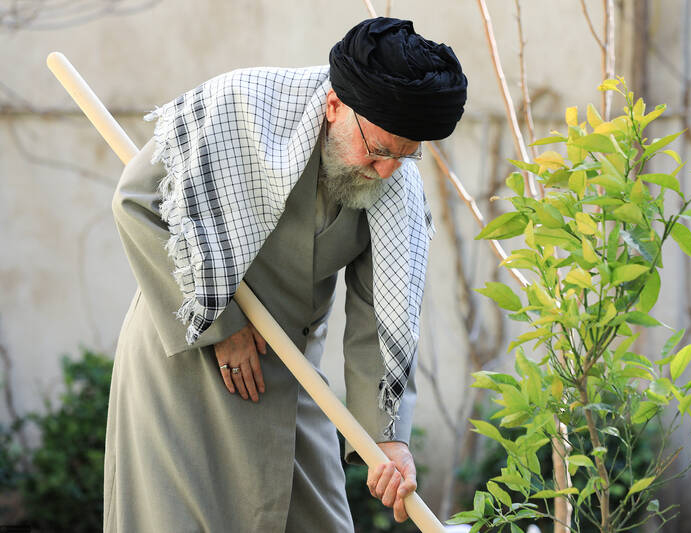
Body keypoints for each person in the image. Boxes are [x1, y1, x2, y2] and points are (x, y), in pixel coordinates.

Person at [103, 16, 467, 532]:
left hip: (290, 371)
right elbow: (137, 204)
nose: (387, 170)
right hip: (186, 362)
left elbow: (375, 315)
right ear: (336, 106)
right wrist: (221, 326)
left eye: (405, 156)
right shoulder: (239, 105)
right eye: (380, 150)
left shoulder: (394, 186)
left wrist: (389, 440)